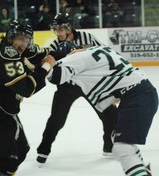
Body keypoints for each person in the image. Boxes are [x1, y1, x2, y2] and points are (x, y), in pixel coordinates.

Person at [46, 45, 159, 176]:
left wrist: (47, 64)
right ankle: (143, 175)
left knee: (121, 148)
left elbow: (56, 77)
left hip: (136, 96)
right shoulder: (99, 49)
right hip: (140, 91)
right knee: (119, 140)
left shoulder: (76, 58)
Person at [0, 20, 55, 176]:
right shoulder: (6, 54)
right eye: (19, 38)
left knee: (21, 151)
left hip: (4, 112)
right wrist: (46, 66)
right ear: (10, 37)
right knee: (8, 160)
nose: (22, 43)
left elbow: (41, 51)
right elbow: (26, 89)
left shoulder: (19, 48)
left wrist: (64, 51)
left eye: (26, 39)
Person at [36, 12, 117, 165]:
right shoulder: (54, 45)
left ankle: (109, 147)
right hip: (67, 86)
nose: (58, 33)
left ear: (69, 27)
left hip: (91, 85)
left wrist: (111, 87)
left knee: (111, 114)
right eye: (56, 29)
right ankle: (43, 149)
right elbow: (51, 69)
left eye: (60, 29)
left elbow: (107, 54)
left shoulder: (87, 37)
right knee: (56, 120)